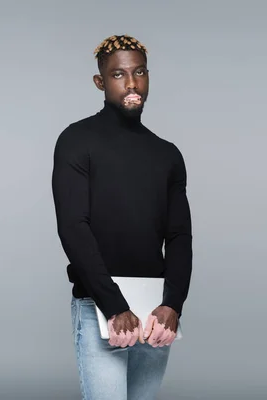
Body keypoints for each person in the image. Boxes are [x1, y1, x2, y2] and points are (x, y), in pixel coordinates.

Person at [51, 34, 193, 399]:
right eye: (118, 75)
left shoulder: (167, 154)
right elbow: (73, 227)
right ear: (100, 82)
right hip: (102, 306)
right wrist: (114, 306)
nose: (132, 84)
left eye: (140, 72)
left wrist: (172, 304)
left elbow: (179, 236)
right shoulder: (76, 140)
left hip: (153, 310)